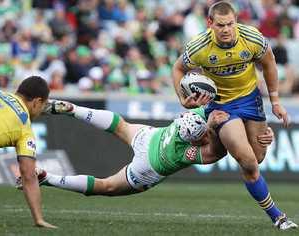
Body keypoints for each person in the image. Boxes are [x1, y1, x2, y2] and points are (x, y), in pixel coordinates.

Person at [18, 100, 279, 227]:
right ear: (199, 140)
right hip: (150, 165)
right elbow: (218, 152)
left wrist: (209, 118)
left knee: (119, 125)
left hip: (151, 135)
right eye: (204, 138)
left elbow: (203, 111)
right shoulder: (185, 154)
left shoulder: (187, 122)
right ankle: (47, 178)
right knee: (107, 186)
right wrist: (257, 138)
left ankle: (73, 109)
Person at [172, 1, 296, 230]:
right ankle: (278, 217)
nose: (227, 29)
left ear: (236, 21)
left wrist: (276, 102)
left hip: (250, 99)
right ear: (210, 24)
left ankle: (216, 140)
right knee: (248, 162)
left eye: (230, 24)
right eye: (221, 25)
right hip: (220, 105)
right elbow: (178, 68)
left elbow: (269, 63)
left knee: (257, 157)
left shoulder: (252, 38)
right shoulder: (199, 47)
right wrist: (182, 98)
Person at [0, 76, 56, 228]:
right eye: (43, 106)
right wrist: (39, 219)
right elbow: (28, 175)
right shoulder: (25, 127)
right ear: (37, 102)